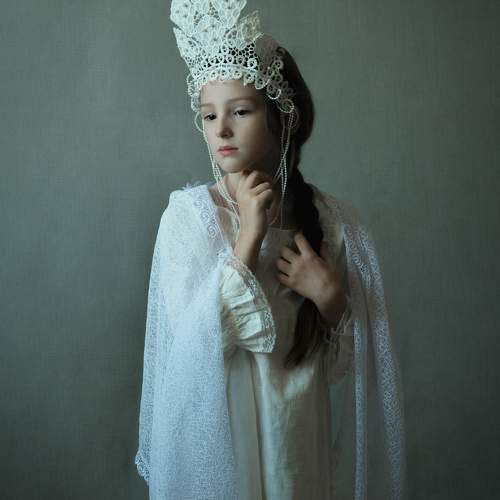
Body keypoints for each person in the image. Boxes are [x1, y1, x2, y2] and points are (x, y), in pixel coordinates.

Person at [134, 1, 408, 499]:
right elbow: (189, 358)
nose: (221, 129)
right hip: (230, 446)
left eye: (240, 111)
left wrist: (332, 300)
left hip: (298, 446)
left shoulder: (331, 221)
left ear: (280, 118)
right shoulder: (190, 218)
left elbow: (347, 368)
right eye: (209, 115)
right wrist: (248, 236)